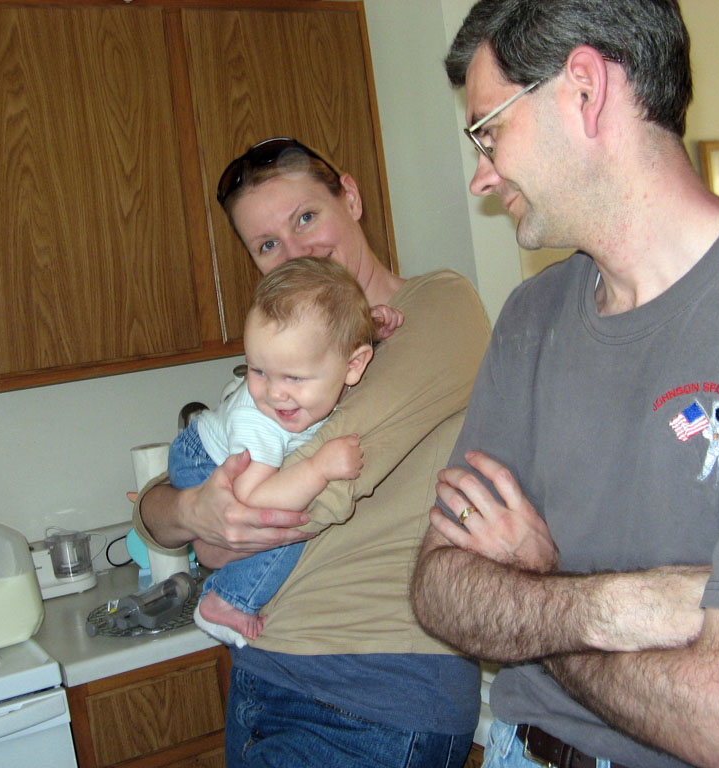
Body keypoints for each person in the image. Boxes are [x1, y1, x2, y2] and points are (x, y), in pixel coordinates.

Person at [410, 2, 719, 768]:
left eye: (489, 131)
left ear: (584, 89)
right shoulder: (530, 316)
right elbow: (439, 586)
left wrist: (537, 587)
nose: (481, 177)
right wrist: (621, 606)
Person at [133, 137, 491, 767]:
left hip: (373, 691)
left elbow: (311, 486)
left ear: (349, 197)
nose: (296, 252)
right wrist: (186, 511)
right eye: (267, 244)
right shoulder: (289, 362)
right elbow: (161, 510)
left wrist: (205, 530)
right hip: (263, 672)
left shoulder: (438, 305)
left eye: (305, 217)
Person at [169, 256, 389, 647]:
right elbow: (249, 504)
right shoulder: (261, 422)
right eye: (258, 371)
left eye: (293, 377)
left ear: (354, 365)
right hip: (204, 462)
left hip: (225, 456)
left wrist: (374, 329)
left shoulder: (323, 373)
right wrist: (318, 469)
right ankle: (224, 601)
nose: (273, 393)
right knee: (286, 526)